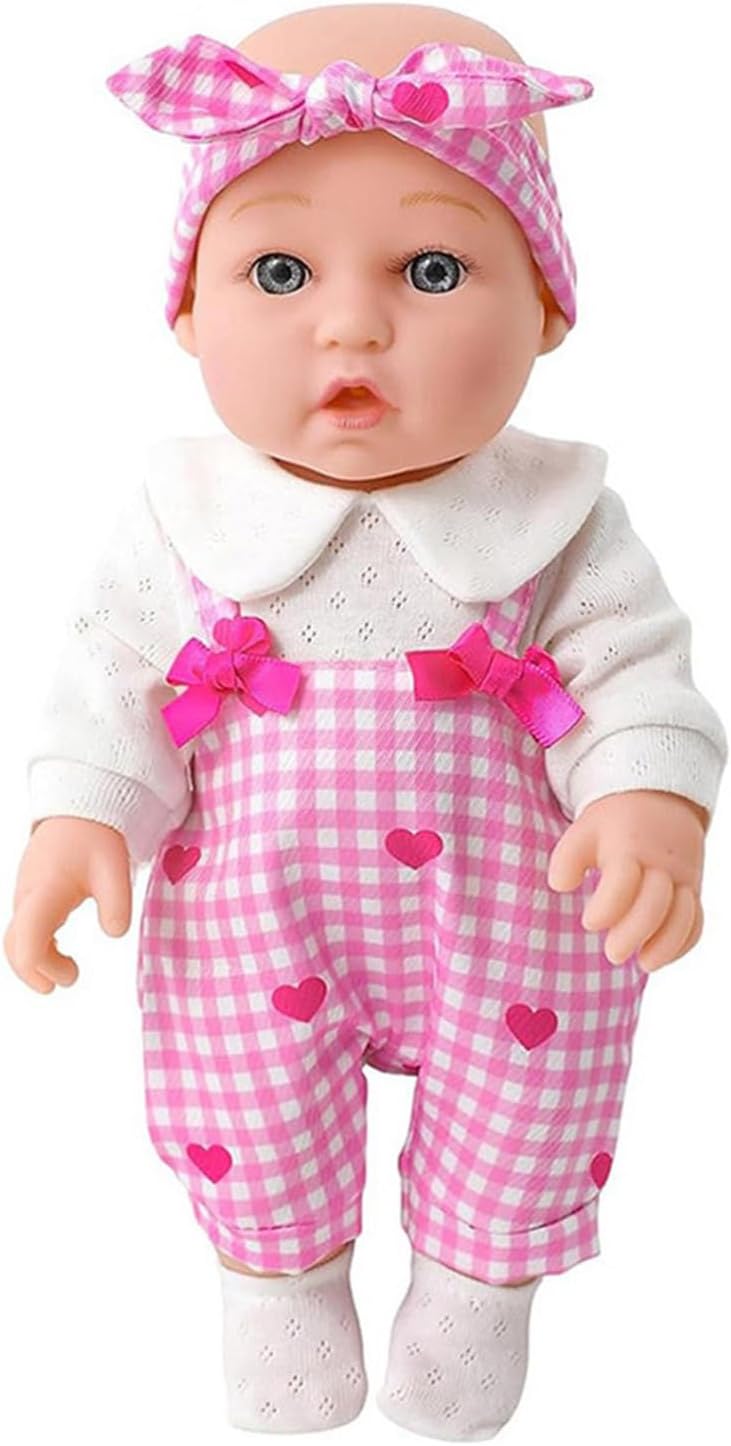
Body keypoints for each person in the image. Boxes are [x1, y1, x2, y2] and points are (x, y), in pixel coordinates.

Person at [4, 5, 726, 1438]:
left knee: (530, 1098)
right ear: (190, 315)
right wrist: (77, 813)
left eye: (433, 269)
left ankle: (474, 1296)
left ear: (548, 308)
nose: (350, 323)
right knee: (246, 1094)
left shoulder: (563, 518)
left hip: (519, 913)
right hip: (255, 916)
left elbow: (638, 669)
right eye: (279, 271)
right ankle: (277, 1290)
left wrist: (646, 796)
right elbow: (110, 679)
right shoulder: (181, 518)